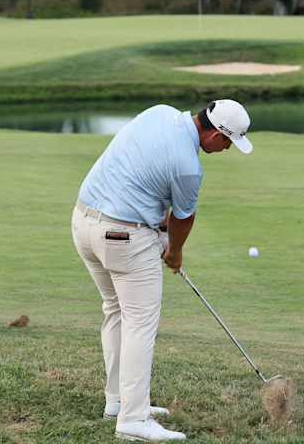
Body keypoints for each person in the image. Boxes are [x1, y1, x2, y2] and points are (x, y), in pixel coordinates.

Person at [71, 99, 253, 441]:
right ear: (215, 135)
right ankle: (133, 420)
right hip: (122, 234)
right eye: (229, 142)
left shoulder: (159, 112)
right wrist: (175, 252)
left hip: (83, 222)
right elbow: (183, 217)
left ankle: (119, 401)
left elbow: (143, 177)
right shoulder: (188, 167)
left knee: (116, 311)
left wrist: (165, 237)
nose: (227, 149)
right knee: (140, 323)